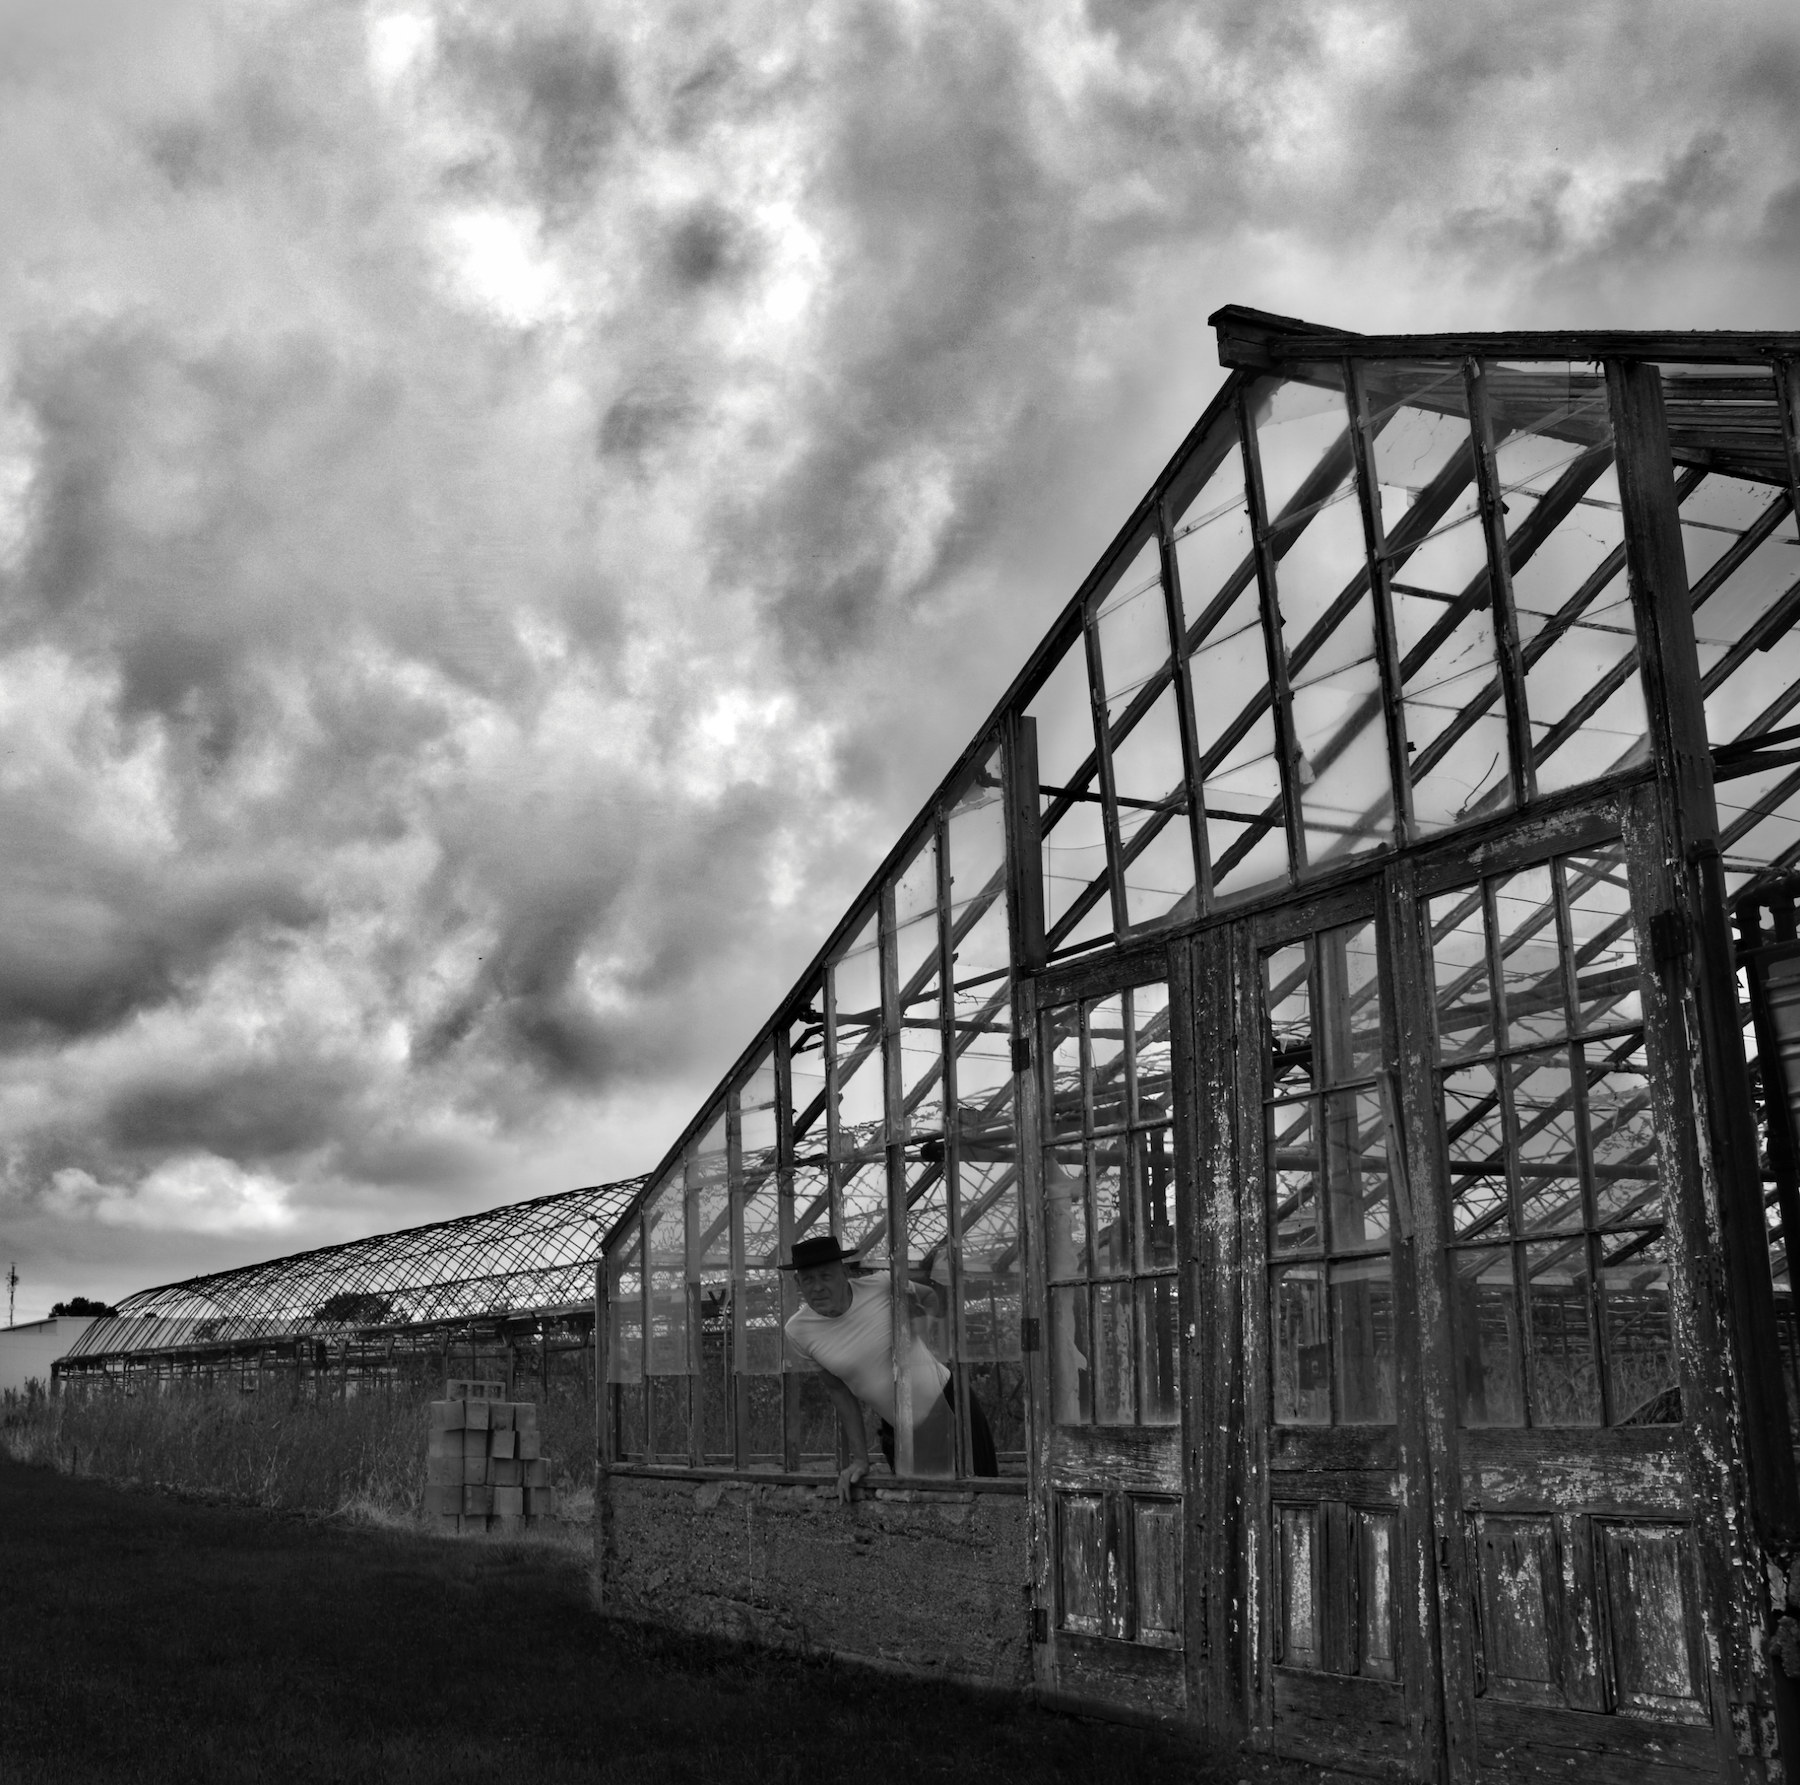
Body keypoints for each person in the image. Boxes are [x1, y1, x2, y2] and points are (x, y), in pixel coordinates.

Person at [781, 1234, 997, 1501]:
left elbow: (931, 1298)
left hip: (951, 1405)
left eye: (826, 1276)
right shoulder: (798, 1331)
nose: (817, 1288)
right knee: (923, 1512)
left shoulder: (881, 1285)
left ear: (844, 1272)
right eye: (808, 1280)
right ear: (797, 1282)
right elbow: (839, 1392)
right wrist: (860, 1459)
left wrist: (921, 1326)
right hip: (903, 1431)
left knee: (983, 1500)